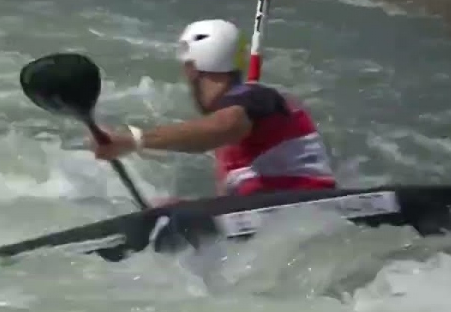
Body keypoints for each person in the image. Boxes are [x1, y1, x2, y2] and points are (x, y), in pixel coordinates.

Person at [89, 19, 338, 199]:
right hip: (280, 220)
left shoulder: (255, 97)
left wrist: (134, 140)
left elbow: (223, 127)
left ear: (192, 69)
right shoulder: (240, 120)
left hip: (306, 204)